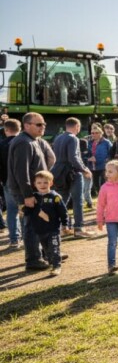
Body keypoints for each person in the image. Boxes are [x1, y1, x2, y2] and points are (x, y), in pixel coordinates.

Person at [8, 113, 57, 270]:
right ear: (27, 125)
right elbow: (21, 172)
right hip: (27, 192)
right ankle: (33, 260)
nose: (42, 127)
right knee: (31, 225)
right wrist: (27, 195)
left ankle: (47, 254)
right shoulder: (24, 143)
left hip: (35, 190)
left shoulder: (33, 140)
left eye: (43, 124)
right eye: (38, 125)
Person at [51, 117, 95, 239]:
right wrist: (84, 169)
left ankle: (61, 228)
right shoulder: (73, 138)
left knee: (62, 201)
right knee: (78, 201)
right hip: (72, 172)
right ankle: (79, 228)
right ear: (77, 127)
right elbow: (74, 157)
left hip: (58, 172)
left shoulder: (58, 137)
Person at [22, 170, 67, 277]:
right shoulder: (34, 197)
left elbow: (63, 212)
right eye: (39, 183)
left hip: (53, 229)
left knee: (54, 248)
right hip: (40, 230)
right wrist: (24, 209)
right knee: (47, 250)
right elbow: (28, 211)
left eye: (45, 182)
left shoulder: (55, 197)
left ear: (51, 183)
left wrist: (65, 224)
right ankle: (52, 262)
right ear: (35, 184)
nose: (42, 185)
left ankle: (56, 266)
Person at [0, 119, 21, 249]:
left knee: (12, 211)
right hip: (23, 180)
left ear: (6, 130)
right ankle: (27, 236)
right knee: (25, 209)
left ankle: (14, 239)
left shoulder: (1, 144)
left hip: (7, 180)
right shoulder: (23, 142)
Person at [86, 127, 112, 197]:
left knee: (103, 183)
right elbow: (84, 154)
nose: (94, 134)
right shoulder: (89, 143)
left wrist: (107, 160)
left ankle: (105, 196)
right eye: (92, 133)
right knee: (95, 184)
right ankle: (100, 196)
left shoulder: (106, 142)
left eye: (96, 133)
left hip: (103, 166)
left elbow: (111, 153)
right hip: (92, 167)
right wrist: (88, 158)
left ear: (101, 133)